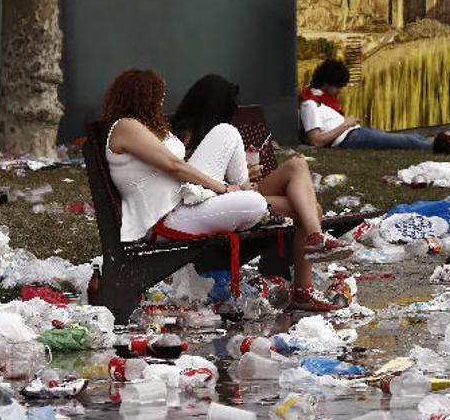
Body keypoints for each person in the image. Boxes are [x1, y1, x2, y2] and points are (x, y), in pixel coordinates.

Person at [103, 69, 342, 312]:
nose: (161, 102)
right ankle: (306, 260)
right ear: (141, 96)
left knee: (230, 133)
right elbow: (174, 166)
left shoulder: (144, 128)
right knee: (266, 205)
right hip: (166, 218)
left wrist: (238, 181)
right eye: (158, 96)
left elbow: (179, 167)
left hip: (188, 197)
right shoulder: (126, 126)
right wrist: (225, 188)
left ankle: (313, 242)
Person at [170, 73, 345, 311]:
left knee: (297, 165)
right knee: (311, 210)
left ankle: (315, 237)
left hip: (235, 193)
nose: (231, 117)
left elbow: (236, 179)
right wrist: (233, 182)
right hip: (215, 203)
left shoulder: (218, 132)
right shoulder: (183, 136)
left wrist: (248, 171)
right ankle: (304, 288)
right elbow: (190, 183)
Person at [299, 59, 432, 150]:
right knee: (408, 142)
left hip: (357, 132)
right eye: (338, 86)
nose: (340, 91)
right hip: (350, 138)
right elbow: (316, 141)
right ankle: (446, 147)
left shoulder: (320, 98)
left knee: (413, 137)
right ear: (326, 84)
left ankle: (445, 142)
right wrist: (346, 125)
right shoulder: (310, 104)